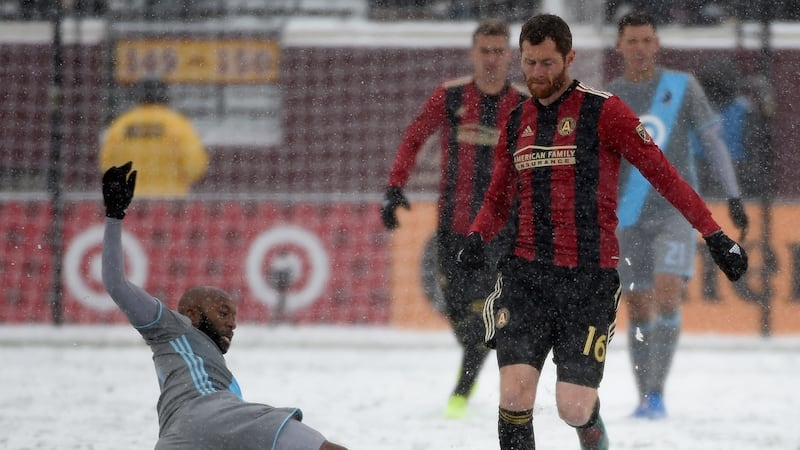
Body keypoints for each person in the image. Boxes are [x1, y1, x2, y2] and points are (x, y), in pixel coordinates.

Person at [456, 14, 747, 450]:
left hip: (587, 281)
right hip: (524, 277)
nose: (537, 74)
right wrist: (477, 236)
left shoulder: (604, 110)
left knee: (572, 406)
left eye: (548, 64)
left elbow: (663, 174)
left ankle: (598, 428)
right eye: (530, 63)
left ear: (569, 58)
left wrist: (714, 235)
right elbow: (499, 198)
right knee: (515, 394)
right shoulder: (517, 121)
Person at [101, 162, 347, 450]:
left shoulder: (219, 376)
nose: (232, 322)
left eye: (233, 315)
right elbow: (116, 284)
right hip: (216, 416)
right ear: (190, 314)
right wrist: (114, 217)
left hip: (178, 435)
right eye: (223, 312)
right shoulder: (173, 328)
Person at [380, 18, 529, 419]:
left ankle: (461, 393)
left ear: (510, 56)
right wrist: (395, 188)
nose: (492, 58)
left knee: (485, 317)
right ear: (473, 53)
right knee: (459, 315)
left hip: (500, 232)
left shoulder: (522, 104)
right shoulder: (451, 96)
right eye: (485, 50)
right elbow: (414, 137)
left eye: (499, 51)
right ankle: (472, 370)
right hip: (453, 228)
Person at [607, 11, 749, 419]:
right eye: (631, 41)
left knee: (667, 290)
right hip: (627, 215)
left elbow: (713, 140)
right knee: (635, 306)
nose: (639, 48)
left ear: (657, 43)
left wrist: (734, 195)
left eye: (646, 40)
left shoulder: (682, 87)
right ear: (619, 46)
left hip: (673, 212)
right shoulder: (610, 97)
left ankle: (656, 394)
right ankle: (643, 394)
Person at [99, 78, 209, 197]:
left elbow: (106, 163)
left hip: (129, 201)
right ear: (165, 95)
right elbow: (194, 166)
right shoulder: (177, 124)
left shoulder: (121, 125)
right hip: (170, 202)